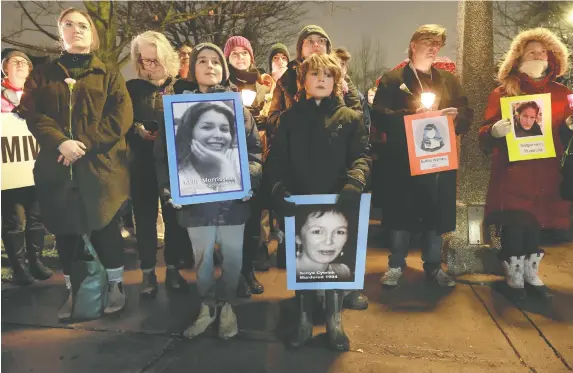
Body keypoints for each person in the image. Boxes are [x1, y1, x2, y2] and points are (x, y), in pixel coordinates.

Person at [18, 8, 133, 319]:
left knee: (105, 226)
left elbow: (118, 118)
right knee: (66, 230)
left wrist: (81, 146)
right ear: (61, 32)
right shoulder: (41, 75)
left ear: (92, 35)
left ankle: (115, 285)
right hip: (56, 168)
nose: (76, 29)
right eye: (68, 24)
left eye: (83, 25)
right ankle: (74, 290)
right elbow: (32, 114)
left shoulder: (108, 75)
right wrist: (60, 142)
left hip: (100, 170)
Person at [156, 42, 262, 340]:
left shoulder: (238, 108)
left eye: (216, 61)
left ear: (224, 68)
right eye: (202, 60)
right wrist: (171, 190)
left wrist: (248, 181)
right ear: (192, 68)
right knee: (201, 260)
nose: (210, 66)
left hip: (232, 202)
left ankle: (227, 305)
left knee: (233, 259)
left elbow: (253, 152)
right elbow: (164, 156)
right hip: (196, 203)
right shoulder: (176, 108)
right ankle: (207, 306)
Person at [265, 52, 370, 351]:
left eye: (328, 74)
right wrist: (277, 189)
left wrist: (355, 181)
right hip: (301, 204)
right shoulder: (289, 119)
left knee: (337, 264)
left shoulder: (351, 118)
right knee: (304, 265)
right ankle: (303, 320)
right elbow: (277, 161)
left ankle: (335, 320)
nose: (321, 79)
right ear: (303, 81)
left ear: (336, 81)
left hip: (339, 203)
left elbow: (361, 155)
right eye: (314, 74)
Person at [373, 24, 473, 289]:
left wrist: (455, 119)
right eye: (428, 42)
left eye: (437, 44)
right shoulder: (393, 80)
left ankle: (433, 266)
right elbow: (379, 115)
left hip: (437, 162)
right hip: (402, 162)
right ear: (413, 45)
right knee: (400, 214)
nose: (433, 48)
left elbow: (466, 113)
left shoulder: (448, 81)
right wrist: (411, 118)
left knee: (434, 215)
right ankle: (395, 264)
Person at [478, 28, 573, 300]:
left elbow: (565, 132)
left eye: (543, 51)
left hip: (546, 169)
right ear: (518, 56)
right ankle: (513, 274)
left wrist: (569, 126)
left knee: (536, 221)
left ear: (552, 56)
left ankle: (531, 272)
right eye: (531, 50)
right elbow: (484, 132)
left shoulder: (561, 93)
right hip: (514, 169)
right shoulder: (504, 91)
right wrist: (494, 130)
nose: (538, 54)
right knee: (515, 221)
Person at [127, 31, 192, 298]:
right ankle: (147, 273)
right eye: (144, 62)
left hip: (174, 164)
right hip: (141, 162)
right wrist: (137, 129)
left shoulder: (182, 87)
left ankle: (174, 269)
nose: (150, 67)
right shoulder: (131, 89)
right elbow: (120, 123)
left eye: (155, 61)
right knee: (143, 218)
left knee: (175, 219)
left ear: (167, 57)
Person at [1, 50, 53, 286]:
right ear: (4, 68)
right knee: (15, 219)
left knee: (36, 216)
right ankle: (19, 266)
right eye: (15, 62)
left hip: (37, 166)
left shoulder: (40, 97)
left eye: (25, 62)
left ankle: (36, 260)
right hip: (10, 170)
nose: (21, 65)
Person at [223, 35, 269, 296]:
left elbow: (274, 118)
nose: (240, 57)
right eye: (234, 53)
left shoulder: (264, 86)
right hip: (228, 160)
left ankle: (248, 270)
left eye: (244, 53)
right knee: (232, 220)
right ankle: (233, 271)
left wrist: (261, 120)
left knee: (253, 218)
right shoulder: (223, 86)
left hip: (256, 156)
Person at [176, 101, 242, 195]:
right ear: (189, 132)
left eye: (224, 129)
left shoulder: (237, 158)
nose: (218, 135)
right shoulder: (178, 170)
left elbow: (233, 203)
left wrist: (223, 164)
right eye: (207, 127)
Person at [295, 206, 353, 282]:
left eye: (339, 232)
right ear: (298, 238)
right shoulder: (285, 273)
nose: (328, 242)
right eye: (317, 232)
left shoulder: (343, 272)